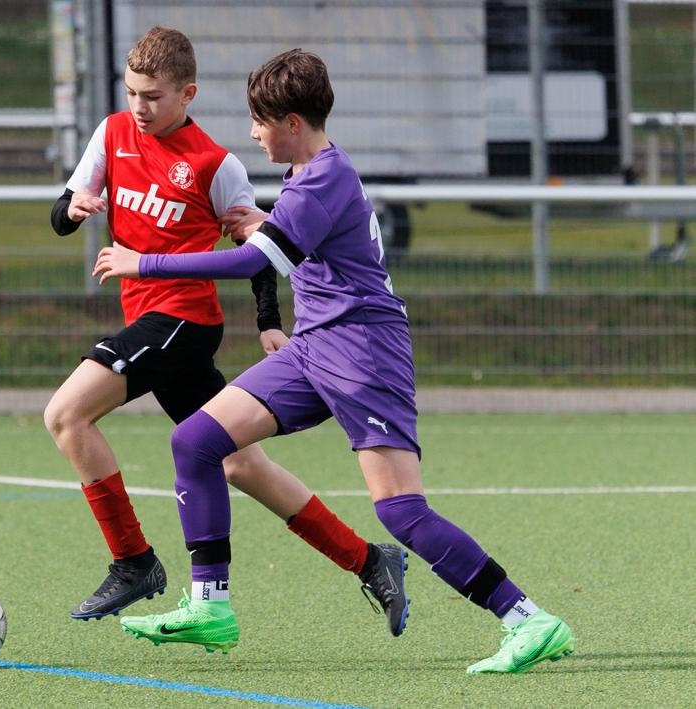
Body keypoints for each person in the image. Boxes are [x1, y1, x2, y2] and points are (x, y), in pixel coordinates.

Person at [94, 48, 575, 673]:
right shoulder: (309, 174)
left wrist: (144, 262)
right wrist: (266, 223)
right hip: (314, 347)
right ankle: (211, 605)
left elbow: (252, 263)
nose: (253, 133)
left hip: (364, 353)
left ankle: (526, 618)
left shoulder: (324, 176)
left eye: (261, 121)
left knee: (400, 510)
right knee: (196, 440)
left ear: (293, 122)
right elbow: (306, 245)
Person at [46, 27, 409, 635]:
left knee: (66, 415)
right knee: (241, 465)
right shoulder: (111, 134)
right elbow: (60, 212)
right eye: (132, 92)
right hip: (148, 319)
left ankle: (133, 561)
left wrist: (268, 322)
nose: (139, 106)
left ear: (186, 94)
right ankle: (371, 561)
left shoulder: (216, 165)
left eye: (153, 96)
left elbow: (260, 249)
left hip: (182, 319)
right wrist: (74, 209)